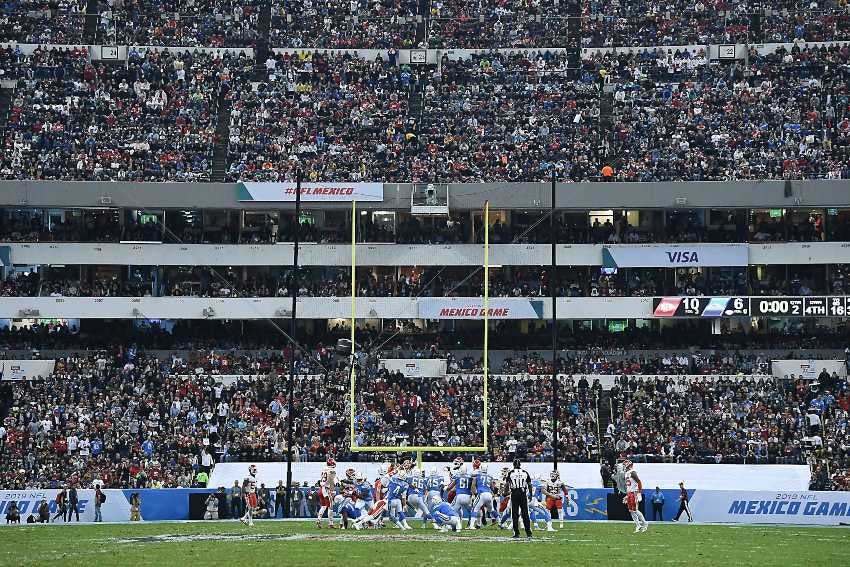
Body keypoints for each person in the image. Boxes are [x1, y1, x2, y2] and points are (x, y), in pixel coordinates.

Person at [507, 458, 533, 539]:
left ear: (513, 465)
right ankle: (528, 533)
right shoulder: (525, 472)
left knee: (515, 514)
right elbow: (529, 484)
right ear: (520, 464)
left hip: (515, 493)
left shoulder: (511, 473)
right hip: (523, 493)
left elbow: (507, 484)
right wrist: (531, 494)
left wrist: (505, 492)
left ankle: (516, 533)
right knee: (525, 514)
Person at [623, 460, 648, 533]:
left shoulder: (632, 472)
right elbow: (629, 486)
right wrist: (627, 495)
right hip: (630, 493)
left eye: (625, 465)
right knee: (631, 510)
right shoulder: (626, 473)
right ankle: (638, 525)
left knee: (635, 510)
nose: (624, 466)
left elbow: (639, 481)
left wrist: (639, 492)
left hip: (634, 493)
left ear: (629, 465)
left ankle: (645, 524)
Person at [469, 463, 494, 530]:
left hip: (481, 494)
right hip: (489, 494)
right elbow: (492, 487)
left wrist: (474, 493)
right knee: (491, 509)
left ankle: (472, 525)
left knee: (475, 509)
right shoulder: (490, 476)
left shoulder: (476, 475)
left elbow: (473, 484)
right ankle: (499, 522)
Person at [316, 456, 337, 528]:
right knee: (330, 506)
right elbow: (331, 480)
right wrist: (333, 490)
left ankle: (318, 519)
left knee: (323, 506)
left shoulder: (324, 470)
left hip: (320, 489)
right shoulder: (331, 470)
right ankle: (331, 524)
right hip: (326, 489)